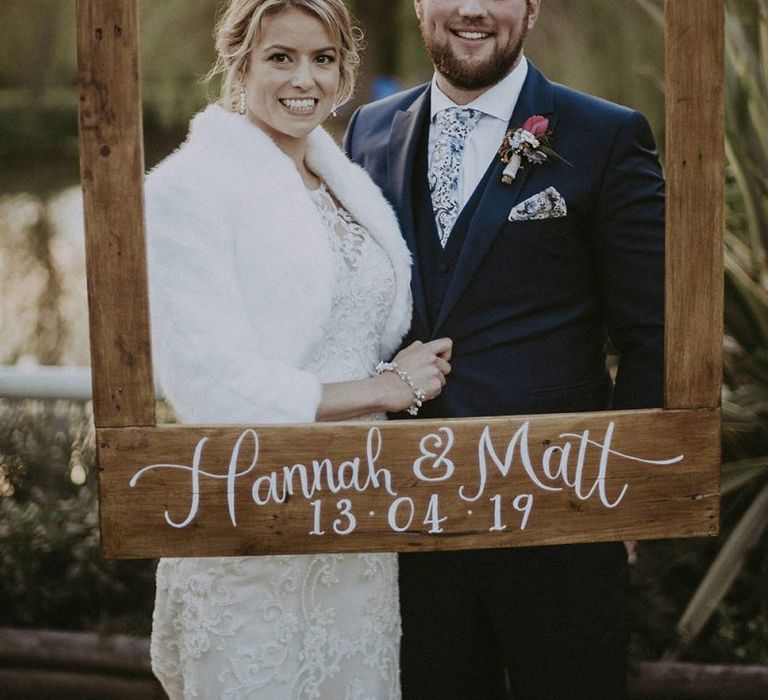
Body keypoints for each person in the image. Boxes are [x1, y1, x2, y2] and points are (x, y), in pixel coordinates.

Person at [344, 0, 665, 698]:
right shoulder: (370, 130)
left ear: (532, 7)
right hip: (408, 522)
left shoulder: (606, 135)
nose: (472, 8)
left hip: (560, 519)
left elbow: (651, 333)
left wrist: (625, 497)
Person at [144, 1, 452, 697]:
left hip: (355, 517)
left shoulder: (346, 186)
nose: (303, 79)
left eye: (322, 59)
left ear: (344, 71)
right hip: (255, 513)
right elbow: (206, 381)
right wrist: (385, 389)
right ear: (240, 64)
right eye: (280, 57)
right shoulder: (187, 190)